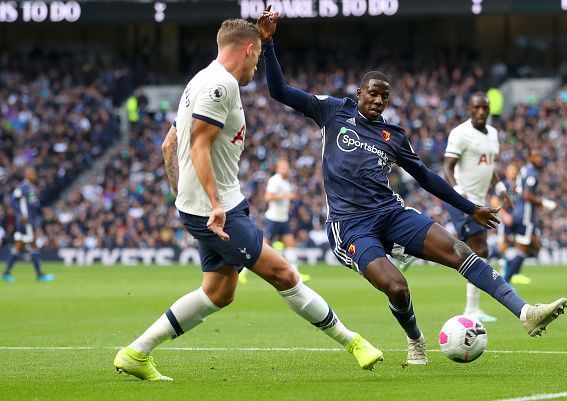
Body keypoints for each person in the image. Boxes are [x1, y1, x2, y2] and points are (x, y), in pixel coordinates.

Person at [259, 8, 567, 365]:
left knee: (460, 250)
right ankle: (415, 339)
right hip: (351, 225)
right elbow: (279, 91)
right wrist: (268, 44)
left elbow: (427, 178)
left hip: (390, 212)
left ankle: (525, 312)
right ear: (359, 93)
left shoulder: (393, 136)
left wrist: (471, 208)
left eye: (384, 97)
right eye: (372, 94)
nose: (377, 101)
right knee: (397, 286)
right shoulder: (333, 111)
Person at [113, 18, 383, 382]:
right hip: (217, 210)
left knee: (219, 292)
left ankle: (135, 353)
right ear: (248, 49)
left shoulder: (199, 80)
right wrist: (213, 204)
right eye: (257, 60)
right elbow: (197, 145)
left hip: (213, 205)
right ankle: (354, 342)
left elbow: (168, 144)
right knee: (284, 274)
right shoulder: (220, 86)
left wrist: (184, 199)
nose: (256, 68)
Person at [443, 93, 513, 322]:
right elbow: (447, 168)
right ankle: (472, 309)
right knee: (480, 249)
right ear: (469, 109)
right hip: (463, 200)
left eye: (485, 108)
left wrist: (501, 188)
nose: (481, 112)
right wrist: (460, 193)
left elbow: (490, 166)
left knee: (475, 250)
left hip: (479, 203)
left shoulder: (493, 134)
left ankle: (473, 307)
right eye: (477, 108)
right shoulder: (460, 134)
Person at [239, 158, 310, 284]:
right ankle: (242, 272)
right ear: (278, 169)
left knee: (291, 244)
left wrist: (287, 205)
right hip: (273, 219)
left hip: (283, 219)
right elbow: (268, 197)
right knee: (261, 247)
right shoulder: (275, 180)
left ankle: (296, 273)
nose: (285, 169)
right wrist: (286, 197)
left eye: (286, 167)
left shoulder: (285, 181)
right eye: (283, 167)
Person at [503, 149, 557, 284]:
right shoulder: (532, 173)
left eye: (540, 156)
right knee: (523, 249)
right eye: (536, 156)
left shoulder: (524, 170)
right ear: (529, 157)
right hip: (525, 216)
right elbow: (527, 195)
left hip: (518, 213)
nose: (540, 159)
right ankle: (504, 280)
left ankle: (509, 276)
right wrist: (543, 202)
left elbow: (517, 190)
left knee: (523, 248)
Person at [2, 167, 54, 283]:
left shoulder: (32, 188)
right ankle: (39, 274)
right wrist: (20, 214)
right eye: (31, 173)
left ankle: (6, 273)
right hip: (26, 222)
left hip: (30, 220)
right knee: (33, 245)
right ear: (26, 175)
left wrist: (43, 209)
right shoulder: (23, 187)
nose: (33, 175)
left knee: (19, 246)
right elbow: (12, 200)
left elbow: (34, 205)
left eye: (34, 173)